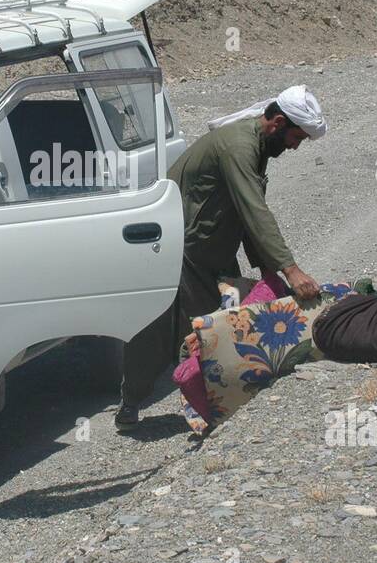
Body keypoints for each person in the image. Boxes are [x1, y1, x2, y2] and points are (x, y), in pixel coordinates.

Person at [116, 85, 327, 430]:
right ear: (276, 123)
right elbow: (255, 210)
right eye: (296, 137)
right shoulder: (239, 145)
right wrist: (291, 270)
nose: (295, 146)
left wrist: (266, 270)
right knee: (174, 330)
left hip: (212, 250)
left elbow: (244, 213)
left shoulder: (255, 146)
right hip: (181, 252)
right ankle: (136, 404)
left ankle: (220, 405)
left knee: (225, 326)